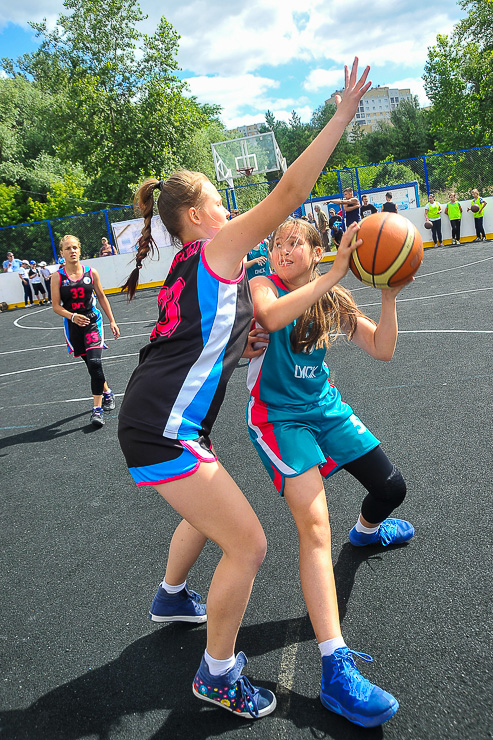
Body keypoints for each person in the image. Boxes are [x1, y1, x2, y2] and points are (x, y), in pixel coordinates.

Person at [116, 59, 371, 721]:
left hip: (159, 419)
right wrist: (340, 118)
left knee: (206, 511)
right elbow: (290, 192)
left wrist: (241, 344)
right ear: (197, 216)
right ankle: (218, 674)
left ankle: (172, 595)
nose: (228, 209)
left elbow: (197, 336)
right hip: (163, 426)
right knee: (249, 544)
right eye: (218, 201)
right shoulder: (216, 248)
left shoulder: (189, 262)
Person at [246, 217, 413, 728]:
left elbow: (382, 348)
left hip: (324, 407)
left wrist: (387, 294)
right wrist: (336, 272)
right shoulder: (263, 284)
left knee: (391, 487)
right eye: (277, 243)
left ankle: (365, 532)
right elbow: (270, 317)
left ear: (316, 252)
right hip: (279, 419)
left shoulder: (332, 298)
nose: (282, 250)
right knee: (315, 528)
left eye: (294, 243)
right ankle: (335, 668)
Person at [51, 235, 120, 427]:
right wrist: (72, 316)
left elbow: (102, 297)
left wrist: (112, 321)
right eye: (68, 248)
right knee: (91, 366)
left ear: (79, 250)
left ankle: (97, 410)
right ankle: (107, 392)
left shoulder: (91, 272)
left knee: (95, 362)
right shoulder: (57, 277)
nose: (72, 251)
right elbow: (56, 306)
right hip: (74, 326)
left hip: (92, 322)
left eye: (75, 247)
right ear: (62, 253)